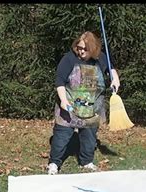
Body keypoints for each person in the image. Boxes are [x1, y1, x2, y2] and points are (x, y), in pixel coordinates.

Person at [47, 31, 120, 175]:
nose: (81, 51)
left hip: (92, 108)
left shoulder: (101, 58)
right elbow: (59, 81)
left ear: (93, 49)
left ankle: (87, 161)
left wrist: (115, 78)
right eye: (79, 47)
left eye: (85, 49)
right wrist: (63, 100)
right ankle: (54, 163)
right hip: (69, 106)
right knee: (61, 137)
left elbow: (110, 69)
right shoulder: (69, 59)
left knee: (89, 138)